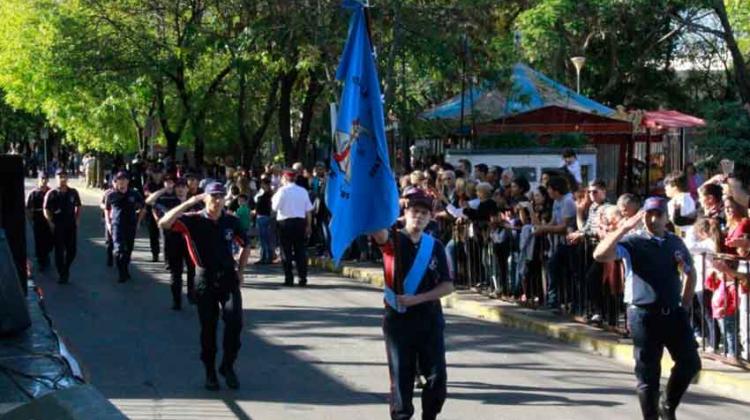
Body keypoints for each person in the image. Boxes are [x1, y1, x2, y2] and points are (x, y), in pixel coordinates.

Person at [594, 197, 701, 420]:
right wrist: (622, 228)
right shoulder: (633, 242)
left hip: (672, 313)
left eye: (658, 214)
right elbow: (600, 254)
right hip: (643, 315)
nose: (653, 219)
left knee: (690, 362)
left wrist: (685, 305)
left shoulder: (674, 242)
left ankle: (668, 405)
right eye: (648, 214)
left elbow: (691, 273)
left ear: (666, 217)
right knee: (648, 375)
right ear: (642, 216)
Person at [158, 182, 251, 390]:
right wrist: (189, 202)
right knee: (208, 328)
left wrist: (241, 271)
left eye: (220, 197)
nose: (217, 201)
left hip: (228, 278)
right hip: (205, 279)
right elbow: (164, 223)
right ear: (205, 198)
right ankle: (210, 372)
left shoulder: (231, 221)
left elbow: (246, 245)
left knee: (235, 323)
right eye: (213, 197)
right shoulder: (193, 220)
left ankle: (227, 366)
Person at [370, 189, 454, 420]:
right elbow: (377, 233)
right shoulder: (393, 239)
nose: (419, 216)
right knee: (402, 379)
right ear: (405, 213)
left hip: (429, 319)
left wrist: (418, 298)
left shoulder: (435, 245)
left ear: (430, 218)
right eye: (415, 211)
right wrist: (372, 197)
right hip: (399, 321)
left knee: (437, 380)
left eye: (424, 213)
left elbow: (447, 286)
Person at [147, 176, 197, 309]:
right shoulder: (167, 202)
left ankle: (192, 294)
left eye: (183, 187)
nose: (180, 190)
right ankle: (177, 300)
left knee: (192, 270)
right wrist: (165, 189)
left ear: (188, 189)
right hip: (173, 241)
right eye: (178, 187)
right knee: (176, 272)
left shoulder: (195, 203)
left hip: (190, 242)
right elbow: (150, 201)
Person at [272, 170, 313, 286]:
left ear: (284, 178)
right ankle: (302, 278)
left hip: (285, 223)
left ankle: (289, 278)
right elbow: (308, 211)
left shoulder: (282, 191)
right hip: (300, 222)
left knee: (286, 252)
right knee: (300, 251)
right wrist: (308, 225)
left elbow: (275, 207)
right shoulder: (303, 191)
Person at [105, 171, 145, 283]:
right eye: (119, 180)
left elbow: (143, 207)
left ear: (128, 181)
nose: (122, 182)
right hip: (117, 225)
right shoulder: (111, 195)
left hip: (131, 225)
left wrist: (138, 222)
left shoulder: (134, 194)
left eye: (124, 179)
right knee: (119, 250)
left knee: (129, 249)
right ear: (116, 182)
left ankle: (125, 268)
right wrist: (108, 222)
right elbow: (107, 209)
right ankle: (121, 273)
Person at [43, 169, 81, 284]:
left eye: (64, 176)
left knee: (72, 251)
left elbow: (78, 206)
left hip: (70, 224)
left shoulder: (73, 192)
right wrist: (50, 222)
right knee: (59, 251)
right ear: (56, 178)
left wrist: (77, 219)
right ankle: (62, 273)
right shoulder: (52, 193)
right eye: (60, 176)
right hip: (58, 225)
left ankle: (66, 268)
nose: (62, 179)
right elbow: (46, 209)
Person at [26, 172, 53, 271]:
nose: (44, 181)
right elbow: (28, 209)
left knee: (49, 240)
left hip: (49, 220)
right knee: (39, 241)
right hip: (38, 219)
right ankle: (41, 260)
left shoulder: (51, 192)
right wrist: (31, 220)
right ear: (39, 179)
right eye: (42, 178)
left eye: (46, 178)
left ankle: (46, 255)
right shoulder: (34, 193)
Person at [143, 164, 165, 262]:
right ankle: (155, 254)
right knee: (153, 234)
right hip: (151, 212)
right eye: (155, 173)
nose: (157, 175)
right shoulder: (148, 184)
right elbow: (147, 194)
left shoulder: (165, 184)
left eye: (159, 173)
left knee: (166, 235)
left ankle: (167, 256)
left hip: (164, 211)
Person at [254, 178, 274, 264]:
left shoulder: (264, 195)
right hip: (267, 216)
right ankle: (268, 257)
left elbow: (259, 205)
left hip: (262, 216)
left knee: (263, 239)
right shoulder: (271, 194)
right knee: (267, 238)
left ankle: (265, 257)